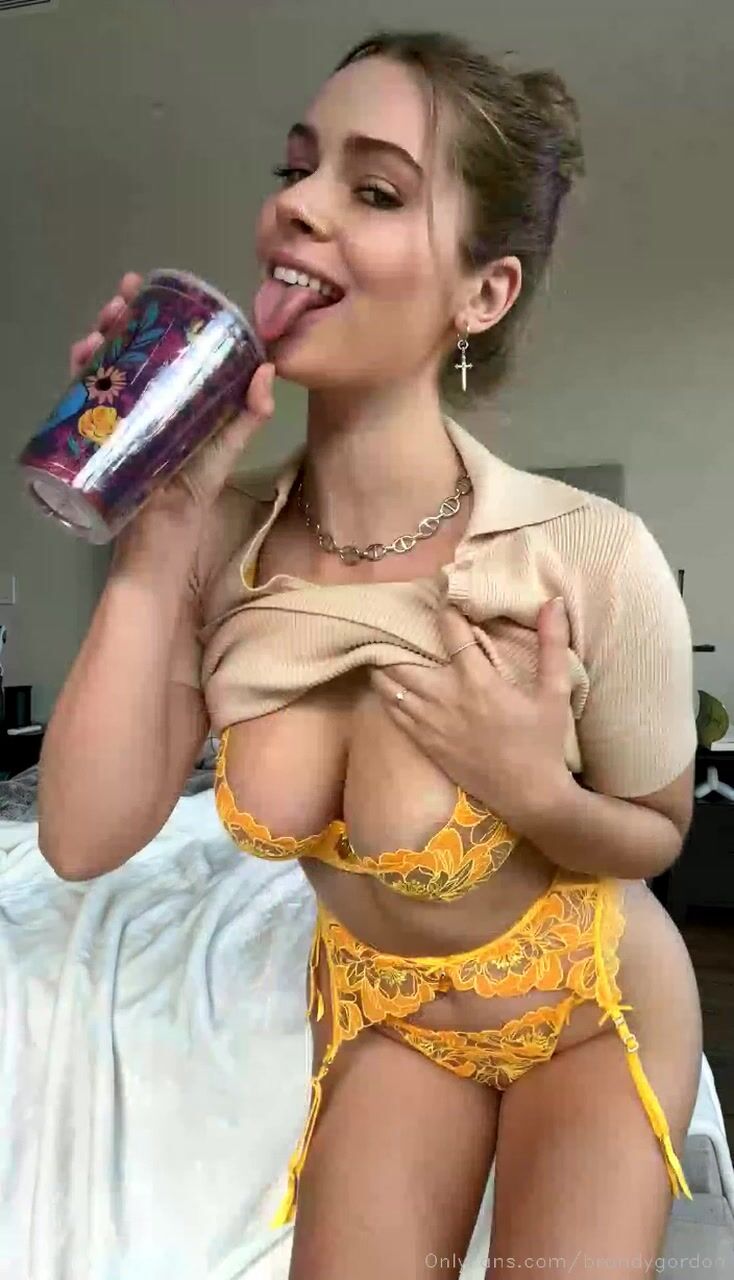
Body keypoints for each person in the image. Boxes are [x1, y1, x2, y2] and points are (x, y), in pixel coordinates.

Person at [39, 30, 702, 1280]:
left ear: (481, 294)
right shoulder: (219, 544)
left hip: (588, 1003)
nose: (297, 205)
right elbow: (79, 838)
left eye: (376, 188)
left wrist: (534, 791)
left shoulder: (584, 551)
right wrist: (155, 536)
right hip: (390, 1012)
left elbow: (657, 831)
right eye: (295, 168)